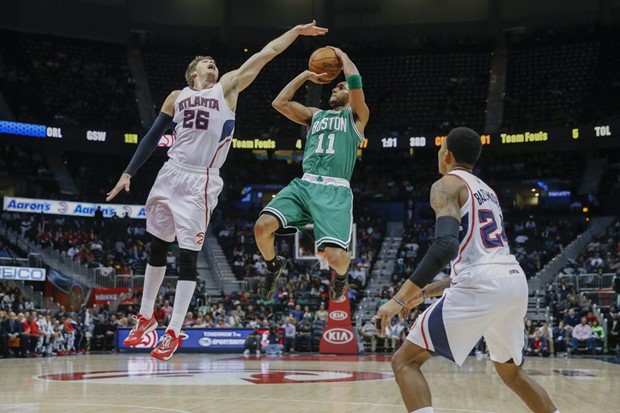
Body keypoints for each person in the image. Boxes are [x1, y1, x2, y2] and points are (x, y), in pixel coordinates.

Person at [106, 21, 327, 361]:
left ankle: (174, 330)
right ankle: (145, 317)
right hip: (170, 173)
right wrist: (127, 171)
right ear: (192, 72)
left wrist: (295, 32)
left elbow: (265, 54)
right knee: (156, 245)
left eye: (214, 62)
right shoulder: (176, 97)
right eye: (206, 61)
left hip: (201, 179)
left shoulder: (226, 88)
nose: (213, 64)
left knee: (187, 256)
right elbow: (152, 136)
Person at [376, 127, 559, 413]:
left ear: (446, 154)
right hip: (513, 280)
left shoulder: (446, 184)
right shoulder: (487, 191)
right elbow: (476, 263)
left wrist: (398, 298)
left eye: (439, 150)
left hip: (483, 285)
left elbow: (446, 245)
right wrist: (423, 293)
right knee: (512, 373)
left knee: (405, 361)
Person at [254, 47, 369, 302]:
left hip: (334, 190)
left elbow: (355, 81)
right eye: (334, 87)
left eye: (341, 87)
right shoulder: (315, 116)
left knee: (335, 257)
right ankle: (274, 266)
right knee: (262, 227)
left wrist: (341, 55)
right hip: (304, 185)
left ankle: (341, 277)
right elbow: (279, 103)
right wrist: (306, 75)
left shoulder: (356, 117)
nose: (336, 89)